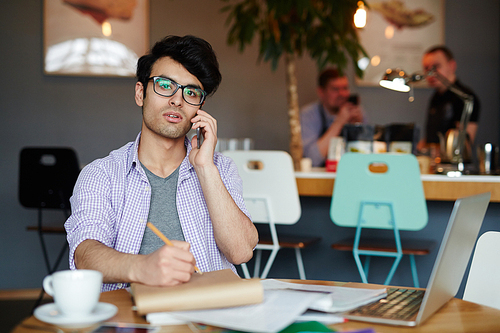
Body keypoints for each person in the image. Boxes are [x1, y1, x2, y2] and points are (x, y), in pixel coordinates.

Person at [65, 35, 258, 292]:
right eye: (165, 86)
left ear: (199, 108)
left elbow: (241, 252)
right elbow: (85, 254)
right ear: (140, 93)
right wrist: (143, 268)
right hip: (131, 320)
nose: (177, 100)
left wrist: (205, 168)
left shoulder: (220, 168)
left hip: (209, 316)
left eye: (191, 92)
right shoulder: (100, 174)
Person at [418, 45, 481, 151]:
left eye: (435, 67)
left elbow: (465, 143)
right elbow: (433, 135)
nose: (430, 73)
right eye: (426, 68)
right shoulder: (436, 96)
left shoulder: (465, 98)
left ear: (452, 66)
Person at [300, 68, 365, 167]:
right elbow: (312, 159)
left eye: (345, 88)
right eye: (335, 89)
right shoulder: (309, 115)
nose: (342, 94)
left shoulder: (356, 112)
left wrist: (357, 128)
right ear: (321, 92)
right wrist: (339, 122)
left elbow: (364, 158)